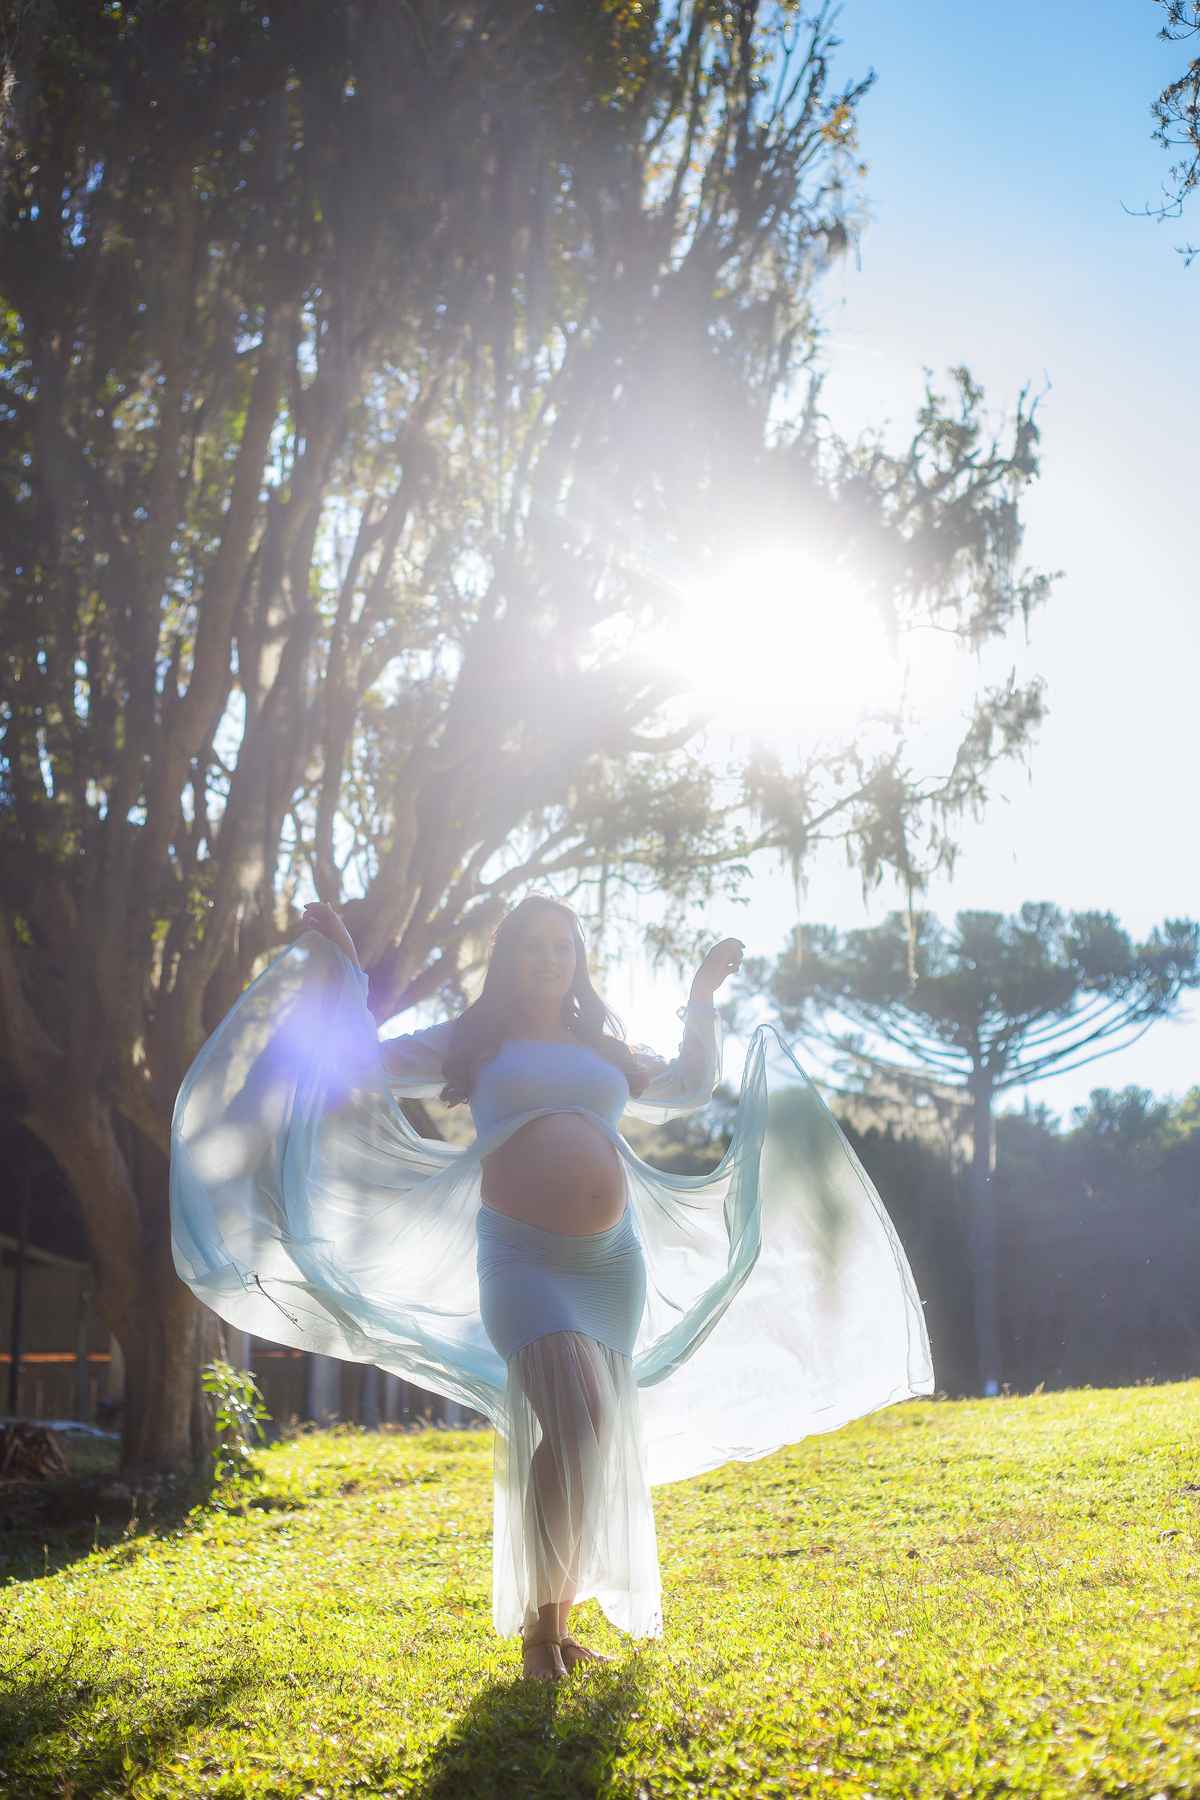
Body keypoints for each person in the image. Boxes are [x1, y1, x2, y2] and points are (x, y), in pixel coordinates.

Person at [171, 894, 932, 1680]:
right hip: (520, 1261)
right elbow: (359, 1064)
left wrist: (701, 997)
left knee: (588, 1438)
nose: (548, 958)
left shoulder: (605, 1048)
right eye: (533, 945)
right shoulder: (471, 1043)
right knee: (579, 1421)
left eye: (562, 946)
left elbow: (689, 1085)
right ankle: (539, 1638)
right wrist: (348, 974)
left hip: (610, 1265)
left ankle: (559, 1628)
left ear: (577, 961)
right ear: (507, 958)